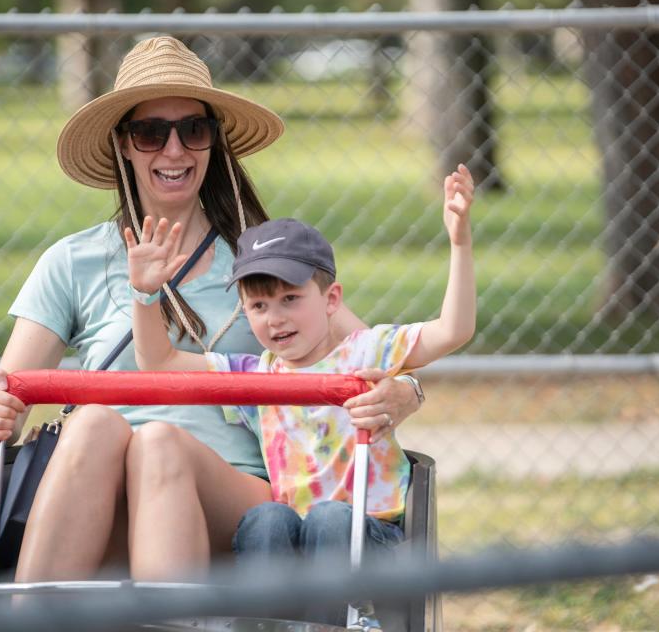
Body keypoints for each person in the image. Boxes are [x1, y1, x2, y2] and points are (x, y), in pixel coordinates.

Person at [0, 35, 424, 584]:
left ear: (214, 143)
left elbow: (366, 355)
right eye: (150, 132)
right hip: (101, 499)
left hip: (234, 501)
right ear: (123, 145)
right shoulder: (73, 260)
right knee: (91, 423)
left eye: (194, 129)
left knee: (160, 442)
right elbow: (10, 391)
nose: (174, 150)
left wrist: (407, 391)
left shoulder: (262, 264)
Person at [126, 170, 473, 621]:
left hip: (372, 536)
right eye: (258, 306)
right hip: (294, 543)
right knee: (265, 520)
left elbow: (454, 330)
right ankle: (267, 623)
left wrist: (460, 243)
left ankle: (347, 619)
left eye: (290, 299)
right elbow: (160, 363)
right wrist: (145, 293)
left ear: (332, 300)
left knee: (330, 518)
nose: (274, 319)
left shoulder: (366, 350)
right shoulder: (254, 377)